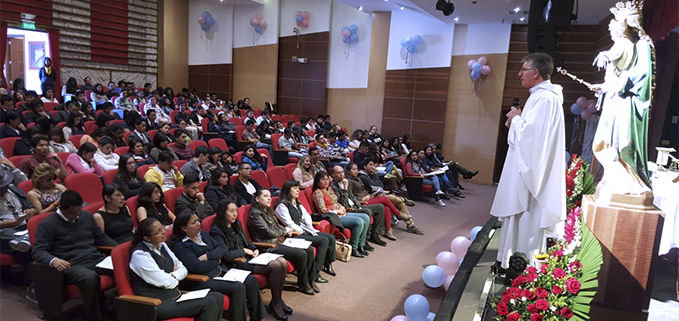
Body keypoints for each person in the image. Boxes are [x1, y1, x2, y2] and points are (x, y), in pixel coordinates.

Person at [491, 52, 566, 269]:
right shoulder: (542, 96)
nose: (519, 74)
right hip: (530, 170)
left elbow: (532, 140)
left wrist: (515, 119)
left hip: (531, 178)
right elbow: (532, 133)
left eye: (523, 70)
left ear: (535, 72)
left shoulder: (544, 98)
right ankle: (514, 262)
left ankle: (520, 267)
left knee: (525, 219)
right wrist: (519, 120)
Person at [590, 5, 654, 199]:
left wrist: (616, 85)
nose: (614, 28)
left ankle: (630, 181)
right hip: (616, 100)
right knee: (604, 143)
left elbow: (641, 75)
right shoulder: (621, 46)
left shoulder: (642, 45)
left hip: (628, 103)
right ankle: (613, 177)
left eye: (619, 23)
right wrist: (605, 86)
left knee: (622, 143)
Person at [32, 191, 117, 321]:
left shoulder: (86, 216)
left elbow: (102, 239)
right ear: (60, 208)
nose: (76, 215)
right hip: (70, 264)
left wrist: (121, 250)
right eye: (72, 212)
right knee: (89, 278)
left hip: (94, 258)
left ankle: (123, 309)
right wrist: (53, 260)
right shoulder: (48, 224)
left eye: (79, 211)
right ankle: (95, 317)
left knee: (124, 264)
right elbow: (38, 251)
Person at [169, 212, 267, 321]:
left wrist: (208, 256)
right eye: (193, 222)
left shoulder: (202, 234)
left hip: (220, 271)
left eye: (198, 220)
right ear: (184, 228)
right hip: (202, 280)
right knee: (238, 287)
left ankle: (257, 318)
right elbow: (197, 267)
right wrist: (216, 260)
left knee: (251, 280)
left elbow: (222, 247)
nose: (198, 224)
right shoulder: (181, 246)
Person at [210, 199, 291, 320]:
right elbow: (225, 254)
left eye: (236, 211)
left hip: (249, 258)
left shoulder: (236, 224)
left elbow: (247, 241)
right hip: (236, 263)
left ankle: (277, 299)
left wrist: (254, 249)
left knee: (282, 262)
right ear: (222, 212)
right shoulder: (216, 231)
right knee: (276, 266)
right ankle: (276, 303)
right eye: (231, 211)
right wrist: (244, 251)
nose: (235, 214)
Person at [128, 217, 224, 321]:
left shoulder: (162, 245)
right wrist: (175, 277)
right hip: (157, 302)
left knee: (217, 297)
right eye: (158, 231)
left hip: (174, 295)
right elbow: (164, 281)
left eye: (162, 228)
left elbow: (182, 268)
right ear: (147, 238)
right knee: (209, 302)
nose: (164, 232)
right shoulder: (140, 256)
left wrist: (173, 275)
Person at [247, 189, 317, 295]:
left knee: (309, 248)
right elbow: (268, 231)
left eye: (270, 196)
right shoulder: (255, 214)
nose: (269, 198)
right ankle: (303, 284)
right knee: (301, 253)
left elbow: (276, 225)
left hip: (278, 241)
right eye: (265, 196)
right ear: (257, 199)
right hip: (268, 246)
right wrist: (284, 231)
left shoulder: (268, 210)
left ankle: (311, 280)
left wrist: (287, 229)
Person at [275, 180, 336, 280]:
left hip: (303, 229)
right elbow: (289, 223)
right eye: (294, 188)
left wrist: (309, 225)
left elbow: (306, 215)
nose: (298, 190)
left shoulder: (296, 202)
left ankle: (328, 264)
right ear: (287, 190)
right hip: (295, 234)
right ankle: (316, 272)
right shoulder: (282, 205)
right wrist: (305, 231)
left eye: (298, 188)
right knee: (323, 241)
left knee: (331, 238)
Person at [354, 160, 423, 235]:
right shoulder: (362, 176)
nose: (373, 167)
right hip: (372, 197)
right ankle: (403, 201)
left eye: (374, 165)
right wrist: (375, 175)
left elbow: (381, 186)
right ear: (364, 166)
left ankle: (410, 225)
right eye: (370, 165)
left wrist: (375, 176)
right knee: (390, 198)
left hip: (378, 194)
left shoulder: (371, 174)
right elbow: (377, 186)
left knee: (400, 203)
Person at [312, 171, 371, 258]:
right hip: (332, 217)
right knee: (359, 221)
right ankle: (354, 248)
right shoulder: (318, 193)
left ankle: (361, 245)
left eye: (327, 179)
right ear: (317, 182)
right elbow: (323, 210)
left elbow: (335, 202)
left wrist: (341, 207)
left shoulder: (329, 189)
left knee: (366, 217)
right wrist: (337, 211)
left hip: (340, 212)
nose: (326, 182)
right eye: (323, 180)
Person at [330, 165, 387, 247]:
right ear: (333, 175)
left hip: (356, 206)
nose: (341, 174)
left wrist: (359, 205)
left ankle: (375, 234)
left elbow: (352, 197)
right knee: (367, 211)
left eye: (342, 172)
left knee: (380, 207)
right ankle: (365, 240)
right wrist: (345, 189)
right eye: (338, 173)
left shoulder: (344, 181)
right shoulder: (333, 187)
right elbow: (343, 203)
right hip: (348, 209)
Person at [0, 166, 36, 254]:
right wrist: (4, 225)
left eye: (5, 186)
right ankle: (23, 240)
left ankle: (25, 238)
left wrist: (31, 211)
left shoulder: (15, 190)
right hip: (5, 230)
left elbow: (33, 208)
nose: (5, 188)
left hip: (24, 225)